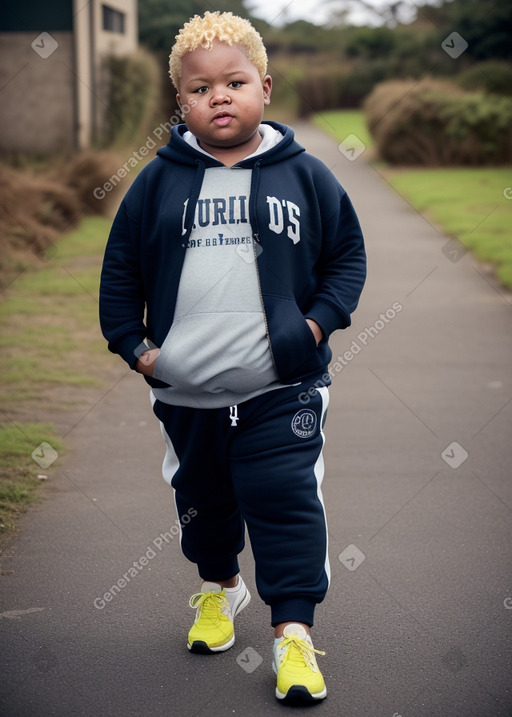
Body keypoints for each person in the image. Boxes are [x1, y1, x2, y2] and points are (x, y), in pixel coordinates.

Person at [99, 10, 366, 705]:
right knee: (205, 505)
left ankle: (294, 635)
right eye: (200, 88)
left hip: (284, 386)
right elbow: (120, 269)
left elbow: (347, 257)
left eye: (235, 82)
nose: (219, 96)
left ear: (265, 88)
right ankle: (220, 588)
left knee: (283, 500)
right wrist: (136, 348)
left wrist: (313, 327)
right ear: (180, 102)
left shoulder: (304, 175)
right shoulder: (156, 183)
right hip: (187, 392)